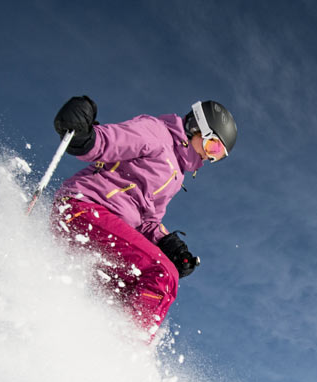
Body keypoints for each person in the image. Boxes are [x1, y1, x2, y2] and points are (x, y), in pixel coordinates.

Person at [49, 96, 237, 338]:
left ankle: (86, 343)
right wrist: (85, 138)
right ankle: (124, 351)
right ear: (196, 128)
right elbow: (111, 142)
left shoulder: (177, 175)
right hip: (84, 209)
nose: (210, 159)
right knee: (162, 275)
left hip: (104, 228)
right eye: (213, 148)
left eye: (218, 157)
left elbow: (147, 220)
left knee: (127, 292)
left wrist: (168, 244)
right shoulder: (156, 132)